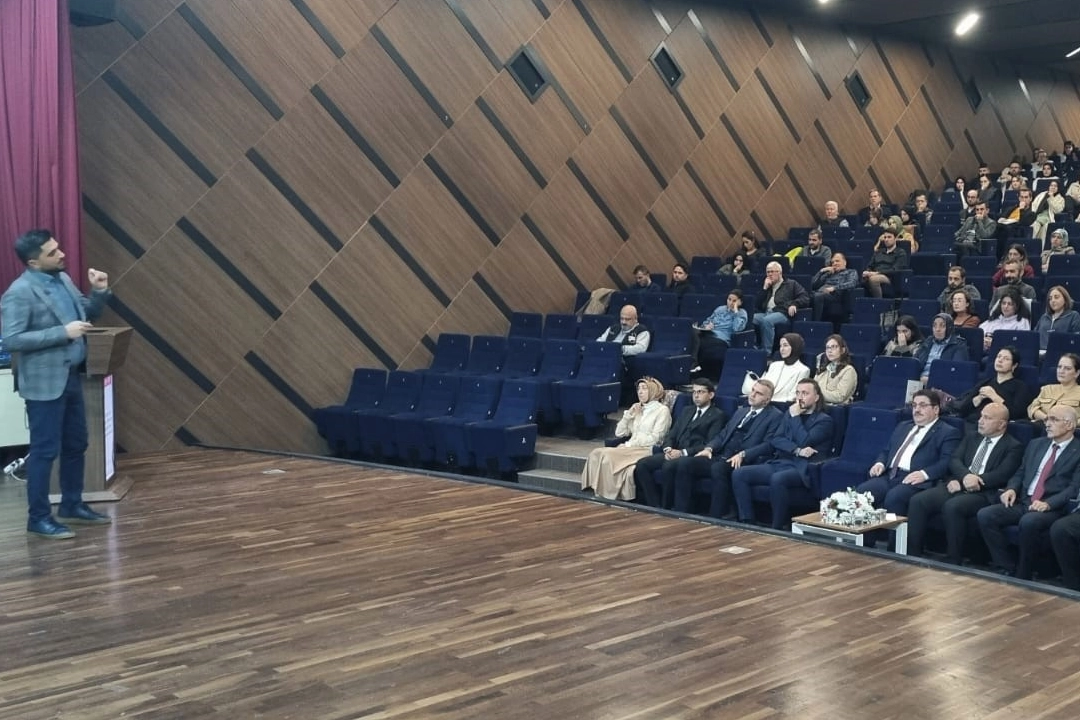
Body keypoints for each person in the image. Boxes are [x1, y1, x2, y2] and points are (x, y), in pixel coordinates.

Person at [0, 229, 113, 539]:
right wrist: (62, 333)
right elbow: (12, 339)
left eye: (58, 247)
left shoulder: (62, 279)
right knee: (45, 451)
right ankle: (38, 518)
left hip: (70, 376)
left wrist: (99, 291)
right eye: (52, 252)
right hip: (43, 384)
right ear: (33, 262)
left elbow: (87, 316)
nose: (61, 254)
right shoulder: (19, 292)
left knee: (76, 444)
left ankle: (71, 506)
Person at [906, 403, 1023, 564]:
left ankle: (953, 559)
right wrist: (965, 477)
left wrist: (973, 481)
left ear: (1001, 424)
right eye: (981, 416)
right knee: (919, 501)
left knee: (953, 506)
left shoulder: (1013, 446)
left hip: (984, 492)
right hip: (958, 482)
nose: (980, 421)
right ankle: (912, 553)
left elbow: (1003, 474)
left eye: (987, 418)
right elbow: (955, 460)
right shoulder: (972, 437)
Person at [977, 405, 1080, 580]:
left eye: (1054, 420)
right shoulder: (1036, 444)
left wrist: (1048, 504)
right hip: (1025, 501)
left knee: (1029, 521)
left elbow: (1074, 487)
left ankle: (1023, 574)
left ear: (1069, 425)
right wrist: (1011, 488)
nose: (1047, 424)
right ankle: (1007, 566)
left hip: (1054, 507)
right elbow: (1021, 472)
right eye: (1046, 419)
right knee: (986, 515)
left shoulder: (1077, 451)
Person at [667, 379, 782, 516]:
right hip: (721, 455)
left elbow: (769, 444)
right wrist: (709, 448)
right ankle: (682, 512)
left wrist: (744, 454)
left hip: (745, 460)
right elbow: (723, 435)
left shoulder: (775, 416)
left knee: (718, 468)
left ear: (767, 400)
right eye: (753, 390)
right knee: (686, 463)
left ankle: (717, 515)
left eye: (759, 393)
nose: (752, 395)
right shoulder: (741, 412)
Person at [730, 379, 834, 529]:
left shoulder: (824, 421)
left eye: (805, 393)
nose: (800, 397)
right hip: (781, 461)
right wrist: (796, 450)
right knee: (740, 474)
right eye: (798, 393)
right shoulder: (789, 414)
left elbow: (805, 440)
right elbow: (776, 439)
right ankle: (747, 521)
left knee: (778, 478)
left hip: (803, 467)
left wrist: (795, 417)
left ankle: (777, 526)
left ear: (816, 397)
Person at [856, 390, 961, 516]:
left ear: (936, 409)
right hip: (890, 475)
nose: (917, 410)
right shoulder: (903, 426)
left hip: (916, 480)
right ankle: (866, 529)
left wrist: (924, 474)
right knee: (862, 492)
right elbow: (887, 451)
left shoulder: (947, 432)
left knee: (894, 497)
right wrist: (880, 463)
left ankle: (895, 530)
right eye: (914, 405)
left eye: (923, 405)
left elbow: (947, 462)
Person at [632, 379, 725, 508]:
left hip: (693, 455)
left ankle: (667, 507)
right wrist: (668, 448)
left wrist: (682, 453)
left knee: (669, 465)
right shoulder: (687, 410)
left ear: (711, 395)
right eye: (694, 392)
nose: (696, 395)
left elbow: (709, 443)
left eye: (700, 392)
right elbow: (672, 434)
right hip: (674, 451)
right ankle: (654, 505)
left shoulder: (717, 415)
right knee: (642, 464)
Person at [580, 377, 671, 500]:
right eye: (638, 389)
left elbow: (656, 438)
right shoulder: (638, 408)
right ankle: (596, 491)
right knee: (595, 453)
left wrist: (630, 444)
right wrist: (629, 415)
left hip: (645, 449)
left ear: (653, 391)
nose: (640, 392)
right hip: (630, 447)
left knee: (607, 457)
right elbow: (619, 432)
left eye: (644, 389)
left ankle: (607, 495)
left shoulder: (662, 411)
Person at [948, 346, 1030, 425]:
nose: (1000, 360)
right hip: (973, 422)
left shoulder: (1020, 386)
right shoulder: (985, 382)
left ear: (1014, 365)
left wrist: (994, 396)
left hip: (994, 426)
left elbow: (1016, 414)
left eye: (1006, 359)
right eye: (999, 357)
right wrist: (978, 399)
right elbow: (963, 409)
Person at [751, 261, 809, 353]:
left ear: (780, 272)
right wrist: (764, 288)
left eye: (772, 271)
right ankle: (754, 347)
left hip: (782, 313)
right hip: (766, 313)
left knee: (766, 321)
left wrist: (794, 304)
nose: (769, 274)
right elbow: (757, 304)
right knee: (751, 318)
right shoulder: (767, 285)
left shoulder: (791, 284)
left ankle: (766, 352)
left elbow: (805, 297)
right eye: (768, 272)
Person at [691, 290, 747, 375]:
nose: (730, 302)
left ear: (740, 302)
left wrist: (736, 312)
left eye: (734, 301)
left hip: (721, 338)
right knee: (692, 333)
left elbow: (737, 329)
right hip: (709, 333)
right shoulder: (720, 309)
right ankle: (694, 363)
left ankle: (694, 363)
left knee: (697, 341)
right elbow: (707, 321)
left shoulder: (741, 313)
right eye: (729, 299)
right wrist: (706, 326)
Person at [914, 314, 969, 385]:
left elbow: (956, 370)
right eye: (934, 326)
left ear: (949, 328)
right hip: (918, 381)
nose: (937, 329)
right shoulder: (928, 341)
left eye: (942, 326)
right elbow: (914, 363)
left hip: (941, 384)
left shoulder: (959, 344)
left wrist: (931, 380)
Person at [1027, 353, 1080, 424]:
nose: (1061, 371)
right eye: (1059, 367)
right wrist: (1046, 418)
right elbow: (1032, 408)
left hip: (1067, 428)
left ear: (1077, 373)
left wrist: (1064, 423)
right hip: (1041, 425)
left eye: (1067, 368)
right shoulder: (1047, 389)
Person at [760, 333, 810, 404]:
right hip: (762, 401)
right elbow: (762, 384)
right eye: (780, 346)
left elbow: (793, 396)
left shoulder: (803, 370)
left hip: (781, 405)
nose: (782, 349)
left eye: (785, 345)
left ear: (795, 347)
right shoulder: (774, 365)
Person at [978, 288, 1031, 352]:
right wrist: (983, 340)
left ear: (1017, 306)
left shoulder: (1022, 322)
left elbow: (1021, 343)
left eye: (1010, 304)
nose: (1006, 306)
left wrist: (995, 343)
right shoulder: (994, 318)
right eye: (1003, 303)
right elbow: (979, 332)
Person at [810, 252, 857, 324]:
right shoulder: (829, 273)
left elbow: (852, 283)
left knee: (818, 296)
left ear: (845, 262)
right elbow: (813, 285)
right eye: (832, 262)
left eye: (837, 261)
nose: (834, 263)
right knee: (805, 295)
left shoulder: (851, 272)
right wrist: (821, 271)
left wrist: (834, 288)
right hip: (820, 292)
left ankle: (815, 324)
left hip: (835, 295)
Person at [861, 230, 908, 298]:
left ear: (895, 238)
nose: (886, 240)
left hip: (890, 277)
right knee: (861, 277)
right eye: (885, 237)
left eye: (889, 237)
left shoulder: (900, 253)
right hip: (875, 274)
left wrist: (877, 273)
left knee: (874, 279)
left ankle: (879, 302)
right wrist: (867, 272)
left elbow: (895, 270)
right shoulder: (879, 252)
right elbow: (870, 265)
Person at [813, 334, 858, 405]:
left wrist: (815, 394)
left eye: (834, 347)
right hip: (818, 405)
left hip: (835, 408)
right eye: (827, 348)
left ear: (842, 350)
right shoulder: (822, 369)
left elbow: (839, 396)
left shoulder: (849, 370)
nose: (829, 350)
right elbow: (812, 388)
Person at [1034, 285, 1080, 352]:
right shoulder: (1044, 317)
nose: (1053, 300)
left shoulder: (1073, 316)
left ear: (1065, 299)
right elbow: (1034, 336)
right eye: (1050, 298)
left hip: (1062, 353)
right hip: (1040, 352)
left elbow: (1075, 339)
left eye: (1056, 297)